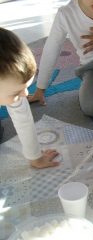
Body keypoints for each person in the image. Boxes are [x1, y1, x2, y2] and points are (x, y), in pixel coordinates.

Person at [0, 27, 59, 169]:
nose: (25, 94)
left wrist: (35, 157)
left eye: (26, 86)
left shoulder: (13, 87)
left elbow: (23, 120)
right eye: (15, 93)